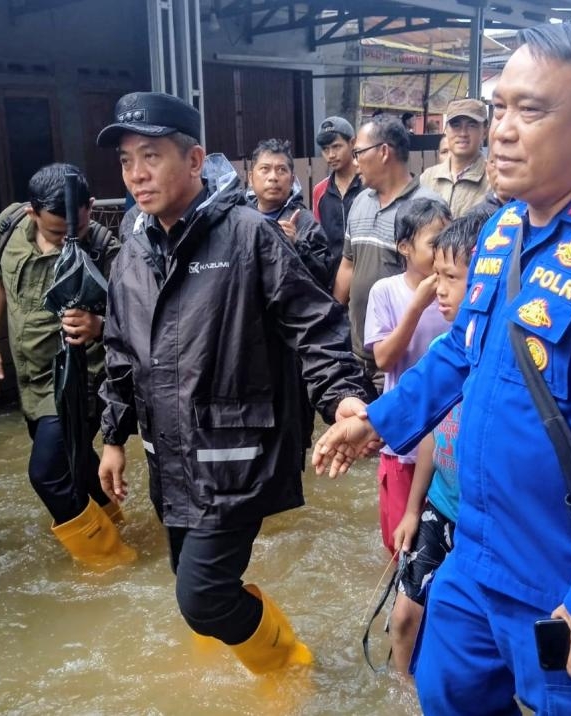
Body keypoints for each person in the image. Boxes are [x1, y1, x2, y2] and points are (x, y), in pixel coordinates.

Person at [314, 19, 571, 714]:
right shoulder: (503, 228)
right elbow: (461, 351)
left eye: (530, 110)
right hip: (476, 553)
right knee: (446, 691)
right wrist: (379, 423)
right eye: (500, 105)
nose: (502, 128)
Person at [95, 91, 376, 674]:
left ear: (194, 160)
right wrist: (113, 436)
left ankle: (291, 667)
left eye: (150, 156)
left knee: (201, 594)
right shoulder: (133, 251)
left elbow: (316, 325)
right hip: (168, 453)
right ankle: (233, 650)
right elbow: (121, 351)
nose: (136, 174)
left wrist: (345, 399)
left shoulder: (248, 236)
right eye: (126, 161)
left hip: (235, 454)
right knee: (189, 581)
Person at [0, 162, 136, 567]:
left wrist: (99, 324)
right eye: (55, 230)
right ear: (32, 212)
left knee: (46, 473)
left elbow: (137, 319)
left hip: (78, 381)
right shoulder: (9, 226)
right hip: (28, 375)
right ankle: (116, 525)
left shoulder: (106, 249)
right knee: (77, 465)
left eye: (78, 226)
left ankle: (108, 560)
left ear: (90, 206)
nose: (69, 236)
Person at [388, 210, 485, 673]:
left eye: (452, 277)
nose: (439, 289)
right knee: (404, 614)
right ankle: (400, 693)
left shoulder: (508, 363)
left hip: (483, 517)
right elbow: (430, 436)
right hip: (441, 504)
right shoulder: (441, 352)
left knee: (464, 620)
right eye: (437, 275)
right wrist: (411, 509)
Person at [363, 198, 451, 554]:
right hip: (405, 442)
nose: (444, 250)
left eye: (450, 238)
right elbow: (383, 359)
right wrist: (417, 305)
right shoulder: (386, 291)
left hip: (449, 438)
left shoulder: (458, 289)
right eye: (434, 242)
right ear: (404, 247)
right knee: (403, 543)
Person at [333, 114, 443, 391]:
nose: (354, 161)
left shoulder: (429, 210)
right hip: (358, 355)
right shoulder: (360, 201)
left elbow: (442, 276)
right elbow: (348, 265)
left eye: (358, 152)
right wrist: (334, 320)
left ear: (383, 152)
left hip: (402, 360)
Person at [246, 137, 330, 287]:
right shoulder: (240, 219)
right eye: (265, 169)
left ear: (291, 181)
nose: (273, 177)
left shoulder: (305, 222)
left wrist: (296, 244)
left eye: (281, 170)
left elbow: (324, 276)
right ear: (251, 178)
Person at [313, 116, 364, 286]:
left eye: (336, 146)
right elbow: (319, 241)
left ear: (352, 143)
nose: (331, 155)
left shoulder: (369, 184)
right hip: (334, 281)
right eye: (325, 149)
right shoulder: (320, 191)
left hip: (367, 279)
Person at [420, 98, 490, 218]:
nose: (463, 133)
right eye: (456, 125)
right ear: (446, 130)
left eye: (472, 125)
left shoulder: (493, 180)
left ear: (484, 132)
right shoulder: (428, 177)